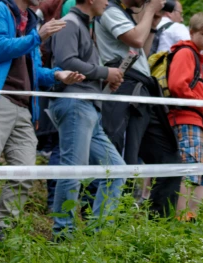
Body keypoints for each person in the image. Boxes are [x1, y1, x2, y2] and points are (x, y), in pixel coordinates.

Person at [0, 0, 82, 258]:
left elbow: (33, 71)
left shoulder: (31, 21)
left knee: (24, 171)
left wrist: (57, 75)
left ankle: (1, 232)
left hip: (24, 108)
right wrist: (37, 37)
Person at [95, 0, 184, 218]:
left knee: (170, 159)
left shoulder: (125, 15)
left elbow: (139, 49)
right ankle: (113, 220)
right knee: (126, 157)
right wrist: (151, 10)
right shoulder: (109, 10)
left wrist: (152, 23)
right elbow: (134, 38)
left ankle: (159, 220)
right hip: (125, 90)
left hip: (144, 90)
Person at [49, 0, 128, 239]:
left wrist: (104, 81)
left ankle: (99, 233)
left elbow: (79, 67)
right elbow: (66, 61)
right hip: (75, 105)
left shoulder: (85, 25)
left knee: (116, 170)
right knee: (73, 171)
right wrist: (105, 73)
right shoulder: (70, 23)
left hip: (88, 107)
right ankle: (63, 234)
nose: (107, 2)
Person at [166, 12, 203, 217]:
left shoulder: (197, 55)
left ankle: (189, 215)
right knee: (191, 171)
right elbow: (177, 85)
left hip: (198, 122)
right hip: (187, 119)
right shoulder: (186, 52)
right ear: (192, 32)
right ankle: (181, 219)